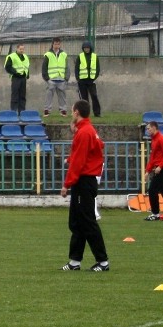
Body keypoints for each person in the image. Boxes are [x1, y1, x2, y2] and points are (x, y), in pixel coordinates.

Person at [60, 100, 109, 272]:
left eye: (73, 110)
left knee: (87, 221)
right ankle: (75, 261)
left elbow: (79, 162)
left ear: (76, 112)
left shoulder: (84, 133)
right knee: (77, 222)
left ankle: (103, 262)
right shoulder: (88, 131)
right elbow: (97, 147)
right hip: (86, 180)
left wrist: (67, 184)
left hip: (84, 181)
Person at [143, 120, 163, 221]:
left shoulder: (161, 139)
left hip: (162, 168)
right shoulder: (154, 140)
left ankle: (155, 213)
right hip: (161, 167)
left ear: (154, 128)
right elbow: (153, 156)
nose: (147, 130)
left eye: (148, 128)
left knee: (152, 190)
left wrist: (160, 166)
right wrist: (148, 170)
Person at [42, 37, 69, 117]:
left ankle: (63, 110)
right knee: (49, 96)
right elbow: (44, 67)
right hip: (51, 79)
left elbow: (67, 67)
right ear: (52, 44)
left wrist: (66, 78)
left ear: (60, 44)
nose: (57, 45)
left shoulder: (64, 54)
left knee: (62, 96)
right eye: (55, 44)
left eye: (58, 44)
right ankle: (47, 110)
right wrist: (47, 78)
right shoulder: (48, 55)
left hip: (61, 79)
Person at [75, 40, 101, 118]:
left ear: (90, 48)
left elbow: (97, 68)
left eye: (88, 48)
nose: (86, 49)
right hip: (82, 80)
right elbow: (77, 68)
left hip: (91, 81)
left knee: (94, 96)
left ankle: (97, 113)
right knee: (84, 99)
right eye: (85, 48)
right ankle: (85, 114)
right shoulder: (80, 56)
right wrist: (78, 78)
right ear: (83, 48)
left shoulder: (95, 56)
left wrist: (95, 77)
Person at [4, 43, 29, 113]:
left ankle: (22, 112)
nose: (22, 50)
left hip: (23, 78)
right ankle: (14, 111)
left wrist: (27, 74)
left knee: (22, 96)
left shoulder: (25, 57)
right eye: (20, 49)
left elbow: (27, 66)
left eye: (23, 49)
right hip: (16, 78)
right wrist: (14, 72)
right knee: (15, 95)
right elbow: (7, 67)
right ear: (17, 49)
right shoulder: (11, 56)